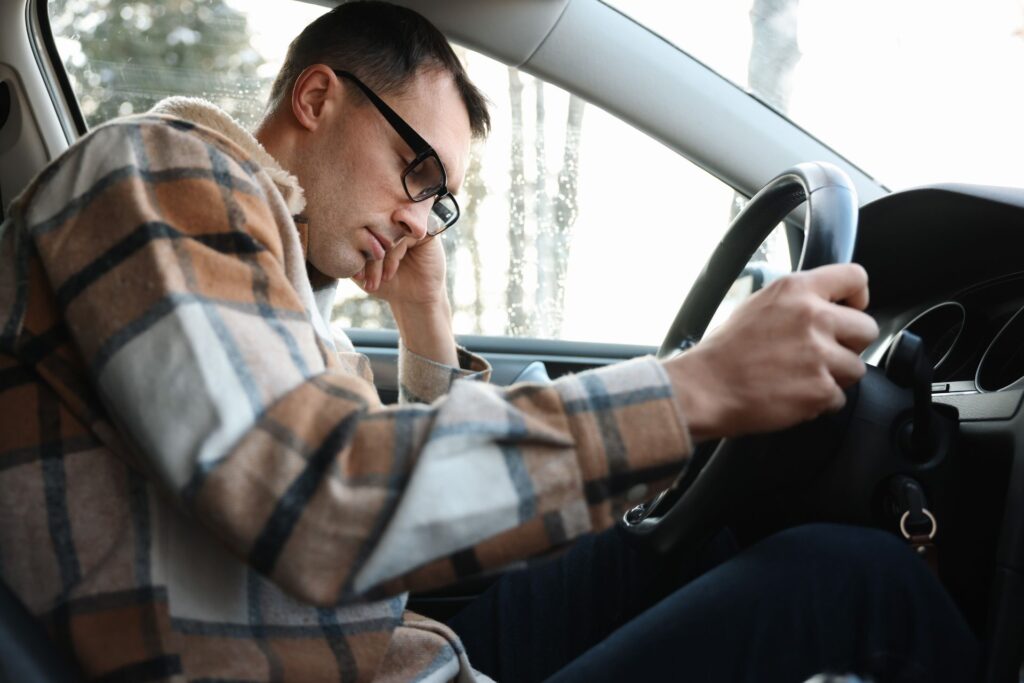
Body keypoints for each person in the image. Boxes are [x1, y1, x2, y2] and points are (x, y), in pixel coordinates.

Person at [0, 2, 977, 681]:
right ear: (315, 98)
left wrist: (423, 320)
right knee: (859, 582)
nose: (420, 214)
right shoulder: (163, 169)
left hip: (376, 638)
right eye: (412, 166)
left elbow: (407, 511)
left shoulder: (268, 272)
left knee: (716, 529)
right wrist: (690, 388)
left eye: (441, 198)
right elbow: (317, 501)